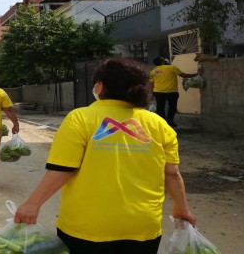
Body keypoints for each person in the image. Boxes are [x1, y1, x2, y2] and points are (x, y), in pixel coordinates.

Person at [14, 58, 196, 253]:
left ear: (100, 86)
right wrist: (182, 209)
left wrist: (33, 204)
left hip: (86, 228)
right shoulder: (159, 124)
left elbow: (63, 169)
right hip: (143, 227)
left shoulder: (80, 118)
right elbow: (171, 173)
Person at [149, 56, 200, 127]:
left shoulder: (153, 72)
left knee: (160, 108)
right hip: (171, 92)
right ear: (162, 62)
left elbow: (152, 84)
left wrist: (151, 94)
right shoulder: (171, 68)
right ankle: (170, 122)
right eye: (163, 59)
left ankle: (163, 124)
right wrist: (196, 74)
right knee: (172, 108)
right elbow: (184, 75)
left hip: (158, 92)